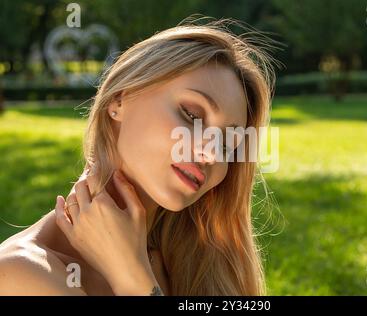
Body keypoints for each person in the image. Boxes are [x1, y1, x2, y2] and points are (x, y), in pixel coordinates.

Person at [0, 17, 279, 296]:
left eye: (228, 144)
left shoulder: (194, 263)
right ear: (119, 99)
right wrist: (132, 279)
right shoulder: (22, 275)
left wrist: (132, 270)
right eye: (192, 115)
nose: (211, 152)